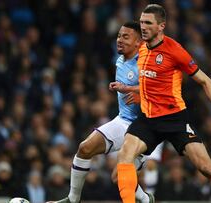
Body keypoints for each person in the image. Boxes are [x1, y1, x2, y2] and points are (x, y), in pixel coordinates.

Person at [116, 4, 211, 203]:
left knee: (206, 168)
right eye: (141, 22)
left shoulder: (175, 50)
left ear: (161, 26)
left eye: (148, 23)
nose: (143, 27)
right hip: (148, 119)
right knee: (125, 155)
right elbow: (151, 81)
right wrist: (132, 90)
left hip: (174, 118)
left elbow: (205, 80)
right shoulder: (141, 48)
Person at [48, 21, 161, 203]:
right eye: (119, 36)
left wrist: (138, 93)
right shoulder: (119, 60)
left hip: (145, 128)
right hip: (124, 120)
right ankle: (72, 199)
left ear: (138, 42)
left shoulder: (146, 62)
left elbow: (163, 90)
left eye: (126, 37)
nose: (119, 40)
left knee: (118, 177)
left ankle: (146, 200)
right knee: (84, 149)